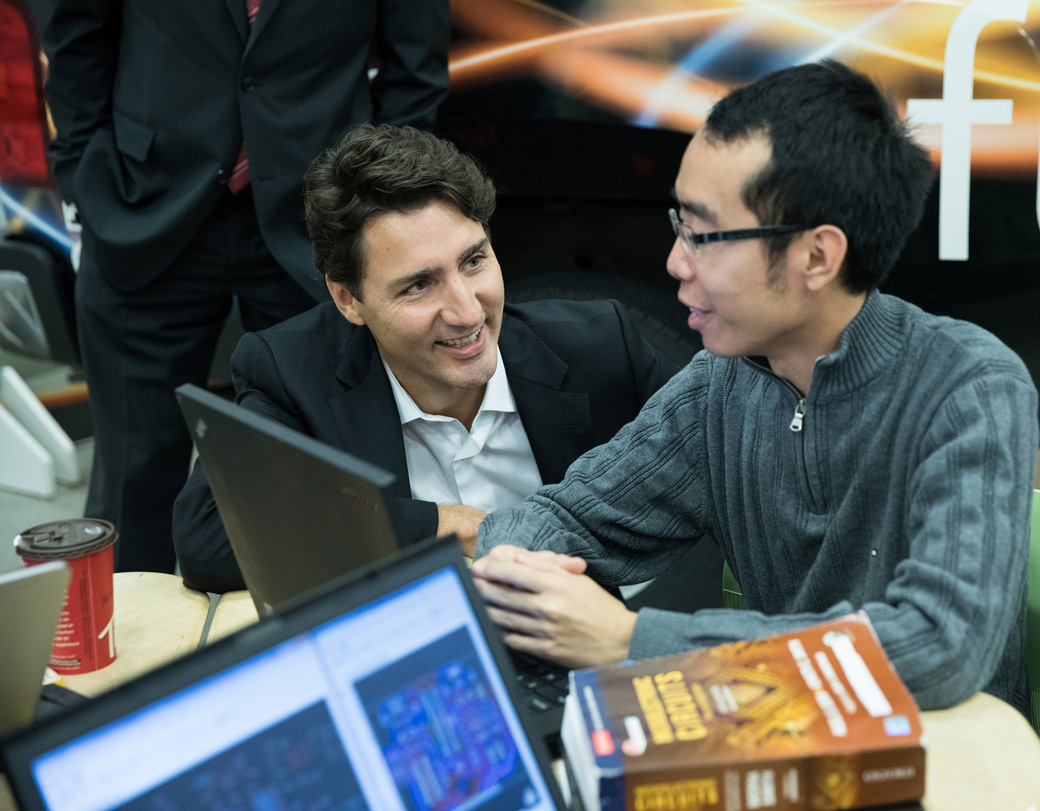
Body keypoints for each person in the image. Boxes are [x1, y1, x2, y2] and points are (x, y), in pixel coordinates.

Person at [471, 60, 1039, 716]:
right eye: (676, 223)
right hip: (774, 734)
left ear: (817, 257)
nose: (674, 262)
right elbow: (561, 516)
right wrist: (520, 572)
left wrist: (631, 640)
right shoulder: (721, 385)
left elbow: (939, 646)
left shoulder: (970, 388)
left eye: (704, 234)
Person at [172, 124, 681, 594]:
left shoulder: (600, 347)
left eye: (474, 261)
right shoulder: (293, 372)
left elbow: (717, 476)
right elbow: (207, 538)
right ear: (348, 299)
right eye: (419, 285)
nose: (466, 312)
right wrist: (450, 526)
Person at [42, 1, 451, 573]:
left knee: (326, 469)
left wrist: (371, 207)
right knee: (133, 474)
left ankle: (311, 649)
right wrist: (81, 171)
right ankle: (130, 658)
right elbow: (77, 38)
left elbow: (416, 69)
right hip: (142, 203)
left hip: (319, 215)